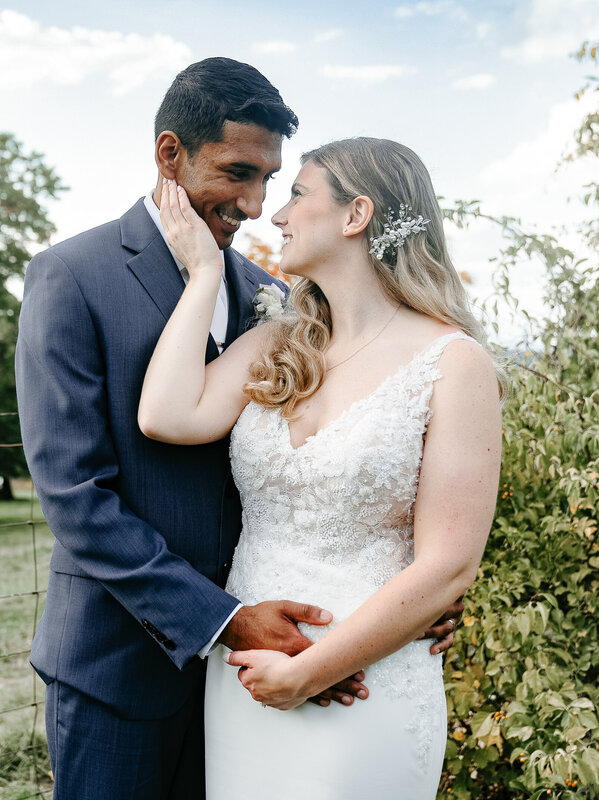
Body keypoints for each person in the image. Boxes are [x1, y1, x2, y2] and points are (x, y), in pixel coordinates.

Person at [17, 58, 460, 799]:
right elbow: (75, 497)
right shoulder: (74, 276)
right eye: (237, 174)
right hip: (124, 663)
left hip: (270, 662)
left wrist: (401, 595)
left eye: (272, 180)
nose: (256, 205)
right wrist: (223, 621)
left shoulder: (276, 298)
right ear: (170, 155)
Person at [138, 137, 504, 798]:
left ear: (355, 214)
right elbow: (165, 414)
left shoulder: (453, 362)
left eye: (297, 195)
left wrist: (309, 673)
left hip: (364, 683)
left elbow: (449, 563)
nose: (276, 215)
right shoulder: (279, 342)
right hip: (245, 681)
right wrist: (203, 276)